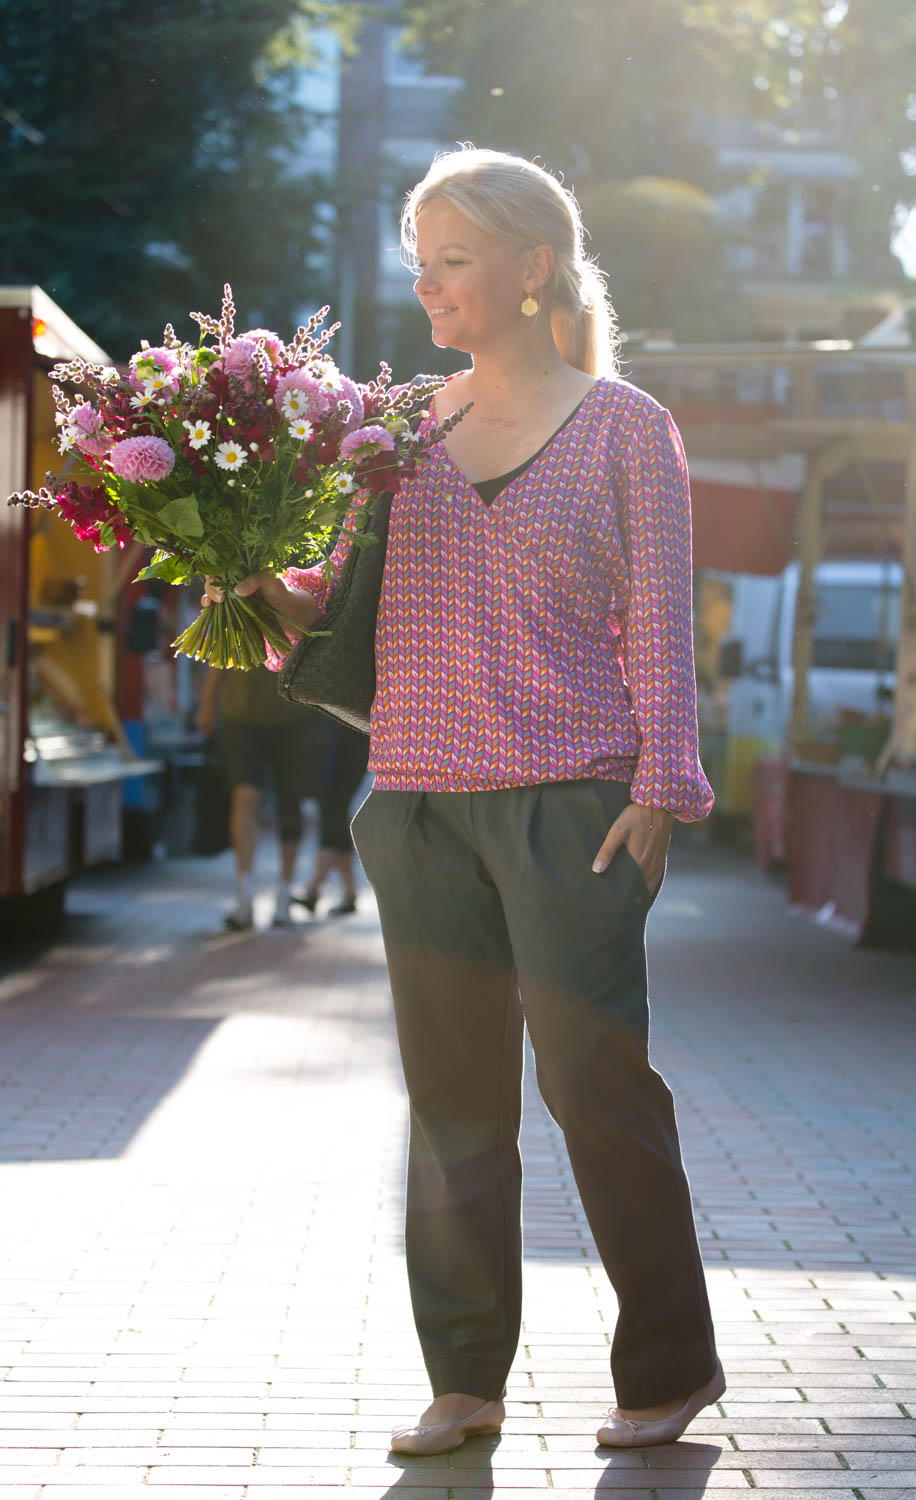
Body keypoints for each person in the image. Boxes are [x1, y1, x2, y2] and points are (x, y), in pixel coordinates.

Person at [204, 146, 723, 1452]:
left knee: (596, 1083)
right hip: (420, 804)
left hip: (572, 807)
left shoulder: (626, 430)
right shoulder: (402, 429)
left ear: (531, 267)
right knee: (452, 1103)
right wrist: (227, 568)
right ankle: (465, 1382)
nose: (427, 288)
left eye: (452, 261)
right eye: (418, 263)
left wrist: (661, 790)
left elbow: (659, 628)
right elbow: (324, 609)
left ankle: (668, 1361)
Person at [197, 665, 322, 930]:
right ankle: (245, 896)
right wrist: (207, 704)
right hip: (241, 717)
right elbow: (220, 657)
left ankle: (285, 895)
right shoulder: (236, 620)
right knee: (245, 797)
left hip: (294, 715)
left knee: (290, 806)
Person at [292, 722, 370, 917]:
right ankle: (349, 894)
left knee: (333, 821)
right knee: (337, 822)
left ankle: (313, 890)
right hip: (345, 747)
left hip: (341, 753)